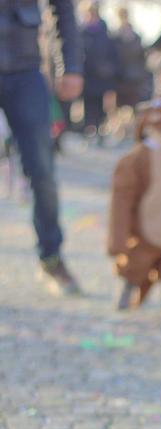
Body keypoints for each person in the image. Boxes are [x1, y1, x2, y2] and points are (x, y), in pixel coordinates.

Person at [0, 0, 83, 294]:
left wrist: (69, 65)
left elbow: (64, 9)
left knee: (42, 172)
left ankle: (51, 258)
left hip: (24, 70)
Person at [107, 95, 161, 318]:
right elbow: (122, 200)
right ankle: (126, 292)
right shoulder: (138, 159)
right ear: (150, 130)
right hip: (146, 230)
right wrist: (118, 238)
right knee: (135, 265)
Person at [81, 2, 117, 138]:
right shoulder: (82, 33)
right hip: (88, 76)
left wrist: (109, 68)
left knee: (102, 106)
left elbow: (113, 54)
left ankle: (101, 130)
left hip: (103, 77)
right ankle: (90, 130)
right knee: (89, 105)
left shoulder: (105, 33)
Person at [113, 8, 148, 110]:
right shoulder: (114, 37)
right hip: (119, 81)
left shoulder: (136, 37)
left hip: (135, 81)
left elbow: (142, 59)